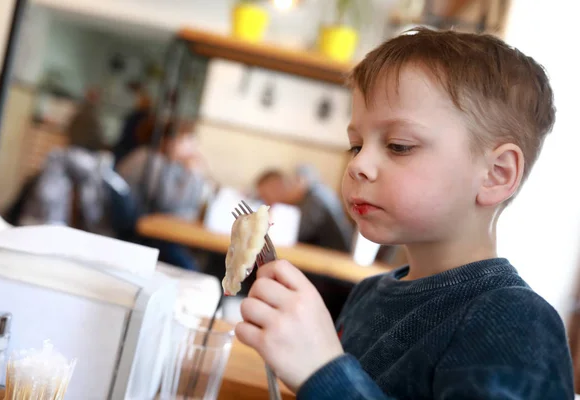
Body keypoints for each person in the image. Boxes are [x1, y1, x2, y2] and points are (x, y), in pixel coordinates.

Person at [235, 27, 574, 399]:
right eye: (356, 145)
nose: (358, 165)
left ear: (496, 174)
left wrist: (325, 371)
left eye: (399, 146)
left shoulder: (515, 322)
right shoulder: (367, 295)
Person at [114, 119, 210, 270]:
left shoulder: (169, 163)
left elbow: (193, 204)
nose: (193, 149)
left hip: (151, 228)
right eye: (187, 142)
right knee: (190, 266)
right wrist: (193, 175)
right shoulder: (149, 160)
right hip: (137, 231)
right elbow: (167, 203)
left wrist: (196, 175)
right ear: (169, 142)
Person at [256, 168, 354, 253]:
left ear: (276, 187)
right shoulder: (311, 195)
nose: (267, 203)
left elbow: (290, 237)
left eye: (265, 196)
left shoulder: (314, 202)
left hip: (338, 265)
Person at [67, 87, 107, 152]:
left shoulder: (95, 112)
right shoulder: (84, 110)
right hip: (81, 146)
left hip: (85, 147)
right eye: (92, 96)